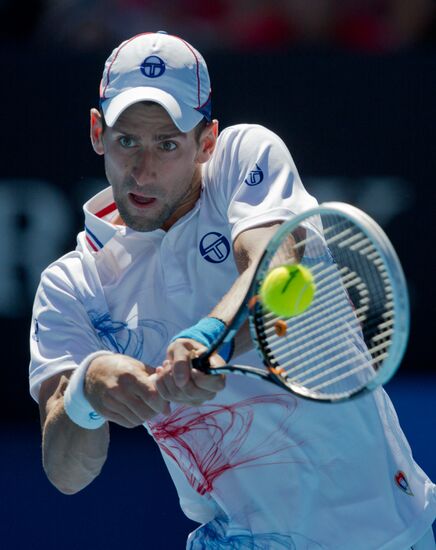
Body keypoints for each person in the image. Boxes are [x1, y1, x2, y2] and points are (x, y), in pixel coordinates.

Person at [29, 31, 435, 549]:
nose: (143, 169)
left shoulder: (245, 156)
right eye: (126, 140)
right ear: (96, 131)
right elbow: (66, 473)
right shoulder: (71, 285)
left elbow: (274, 263)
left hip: (385, 534)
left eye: (168, 144)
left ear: (207, 141)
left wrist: (206, 338)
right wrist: (88, 392)